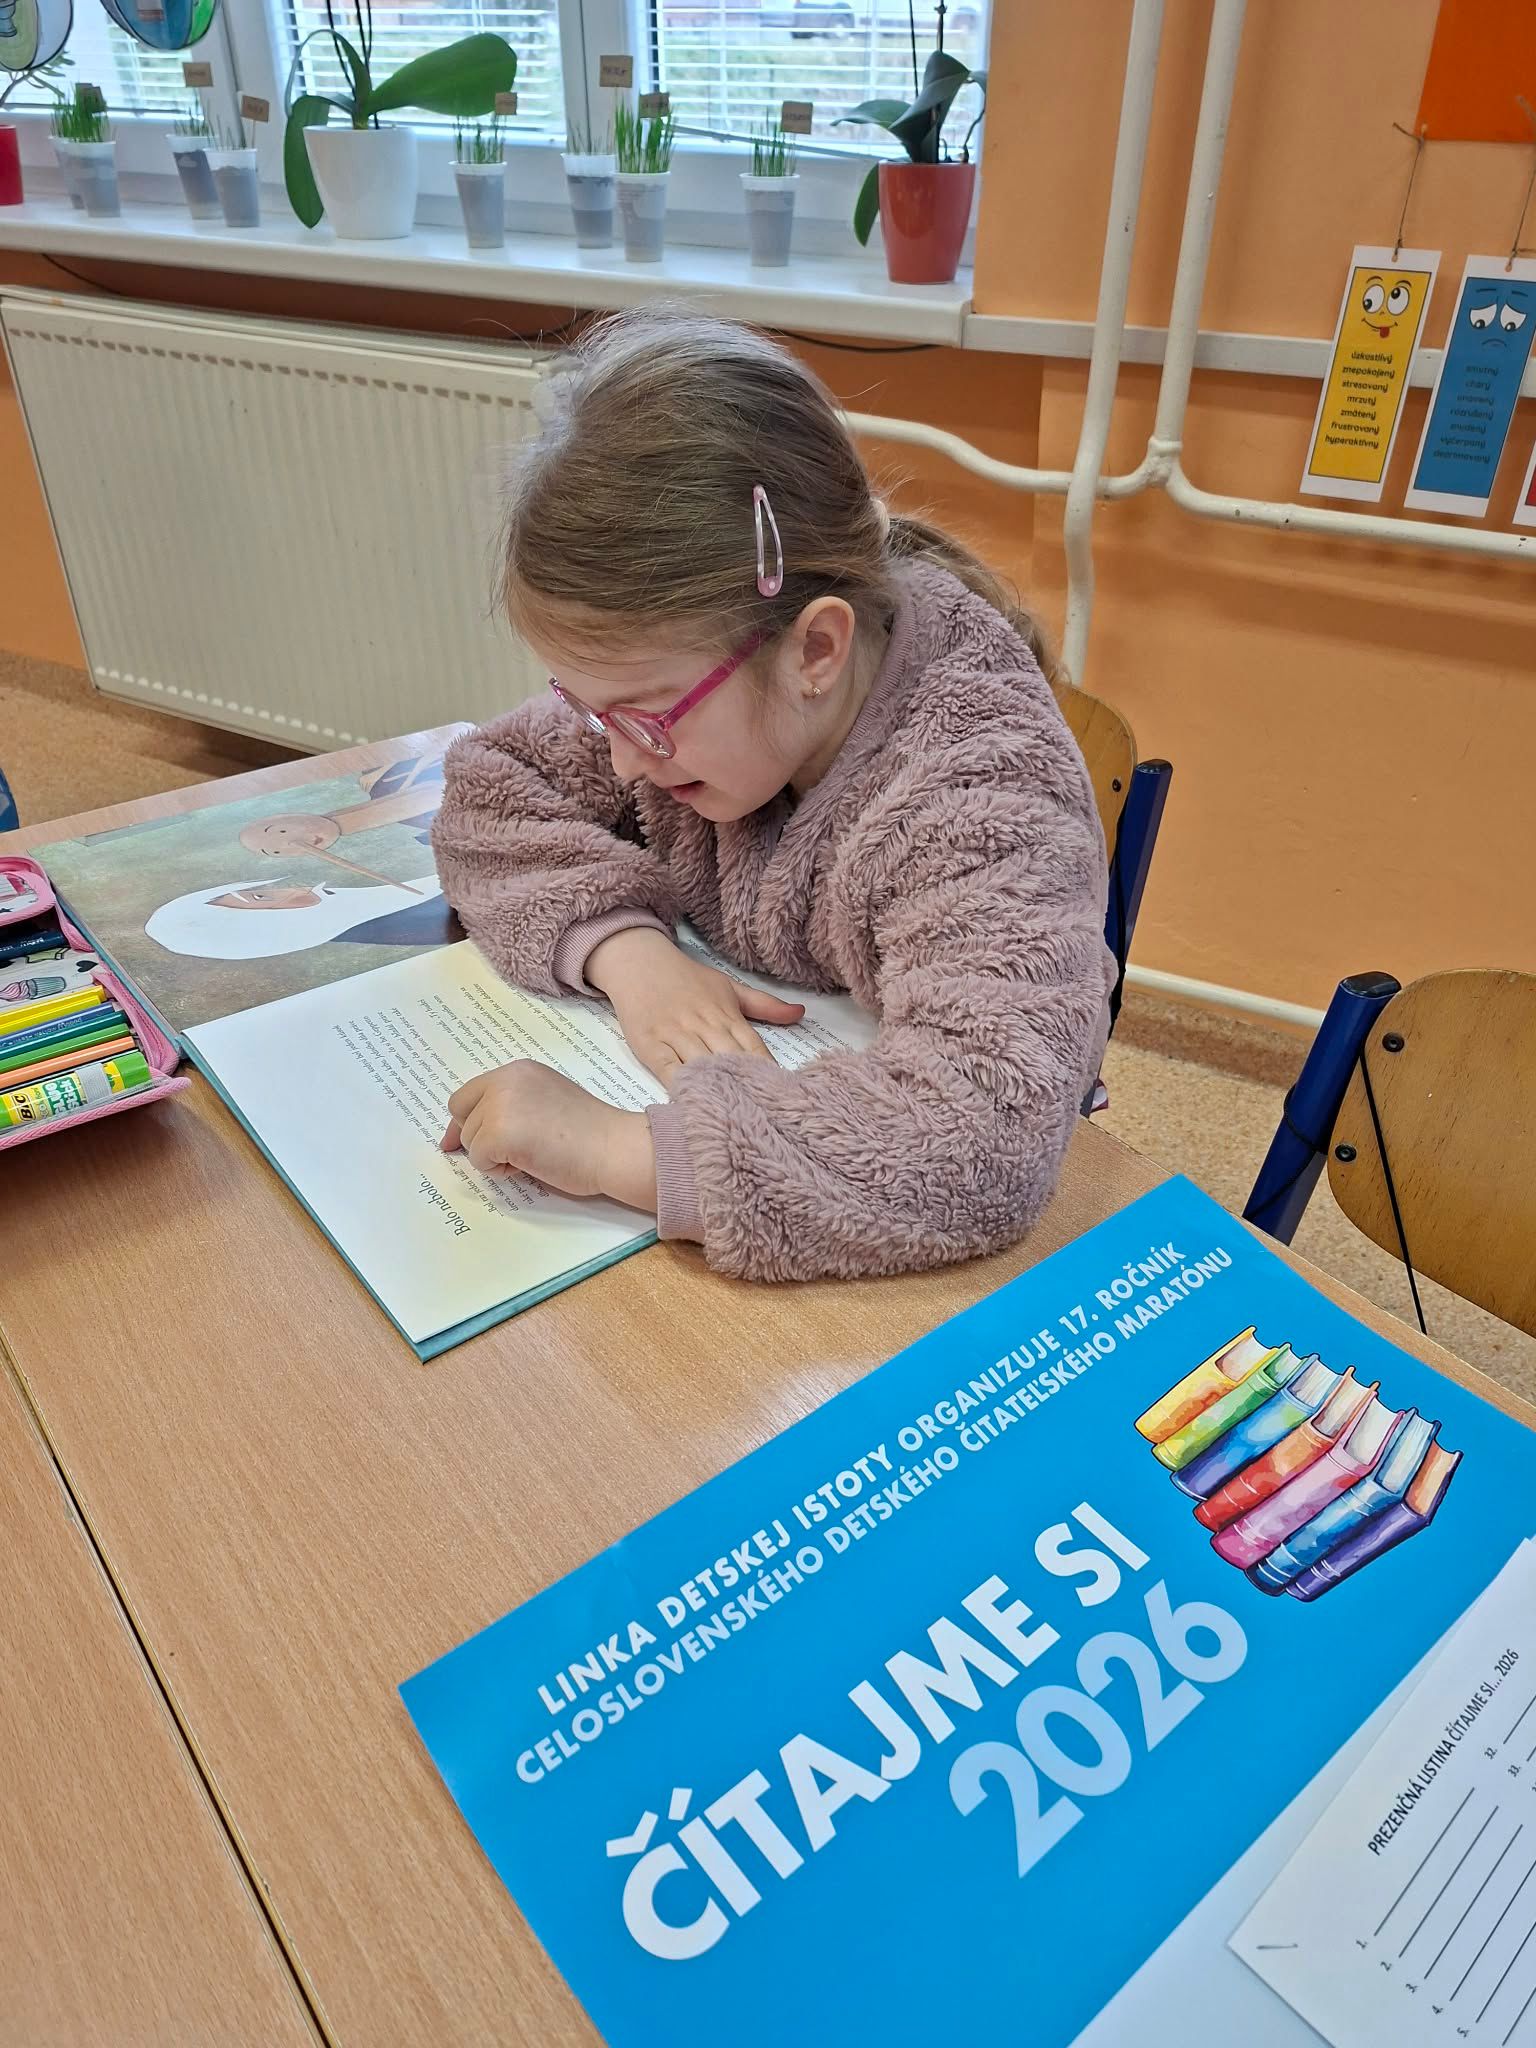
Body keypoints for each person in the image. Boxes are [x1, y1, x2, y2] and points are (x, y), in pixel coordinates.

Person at [431, 310, 1116, 1283]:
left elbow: (983, 1135)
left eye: (645, 720)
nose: (621, 764)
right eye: (591, 712)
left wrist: (618, 1149)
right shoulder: (700, 677)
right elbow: (492, 789)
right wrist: (631, 955)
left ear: (816, 650)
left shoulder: (980, 790)